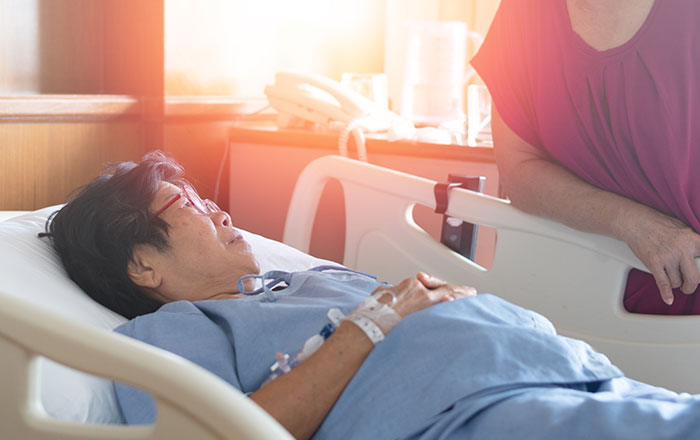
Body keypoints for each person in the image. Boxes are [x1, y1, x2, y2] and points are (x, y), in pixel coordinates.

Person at [43, 151, 700, 439]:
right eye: (187, 204)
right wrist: (375, 321)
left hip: (577, 378)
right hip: (468, 417)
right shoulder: (171, 335)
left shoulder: (305, 280)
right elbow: (219, 435)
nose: (219, 210)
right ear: (142, 265)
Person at [470, 0, 700, 315]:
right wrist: (630, 222)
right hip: (570, 296)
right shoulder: (524, 13)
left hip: (686, 299)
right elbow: (518, 171)